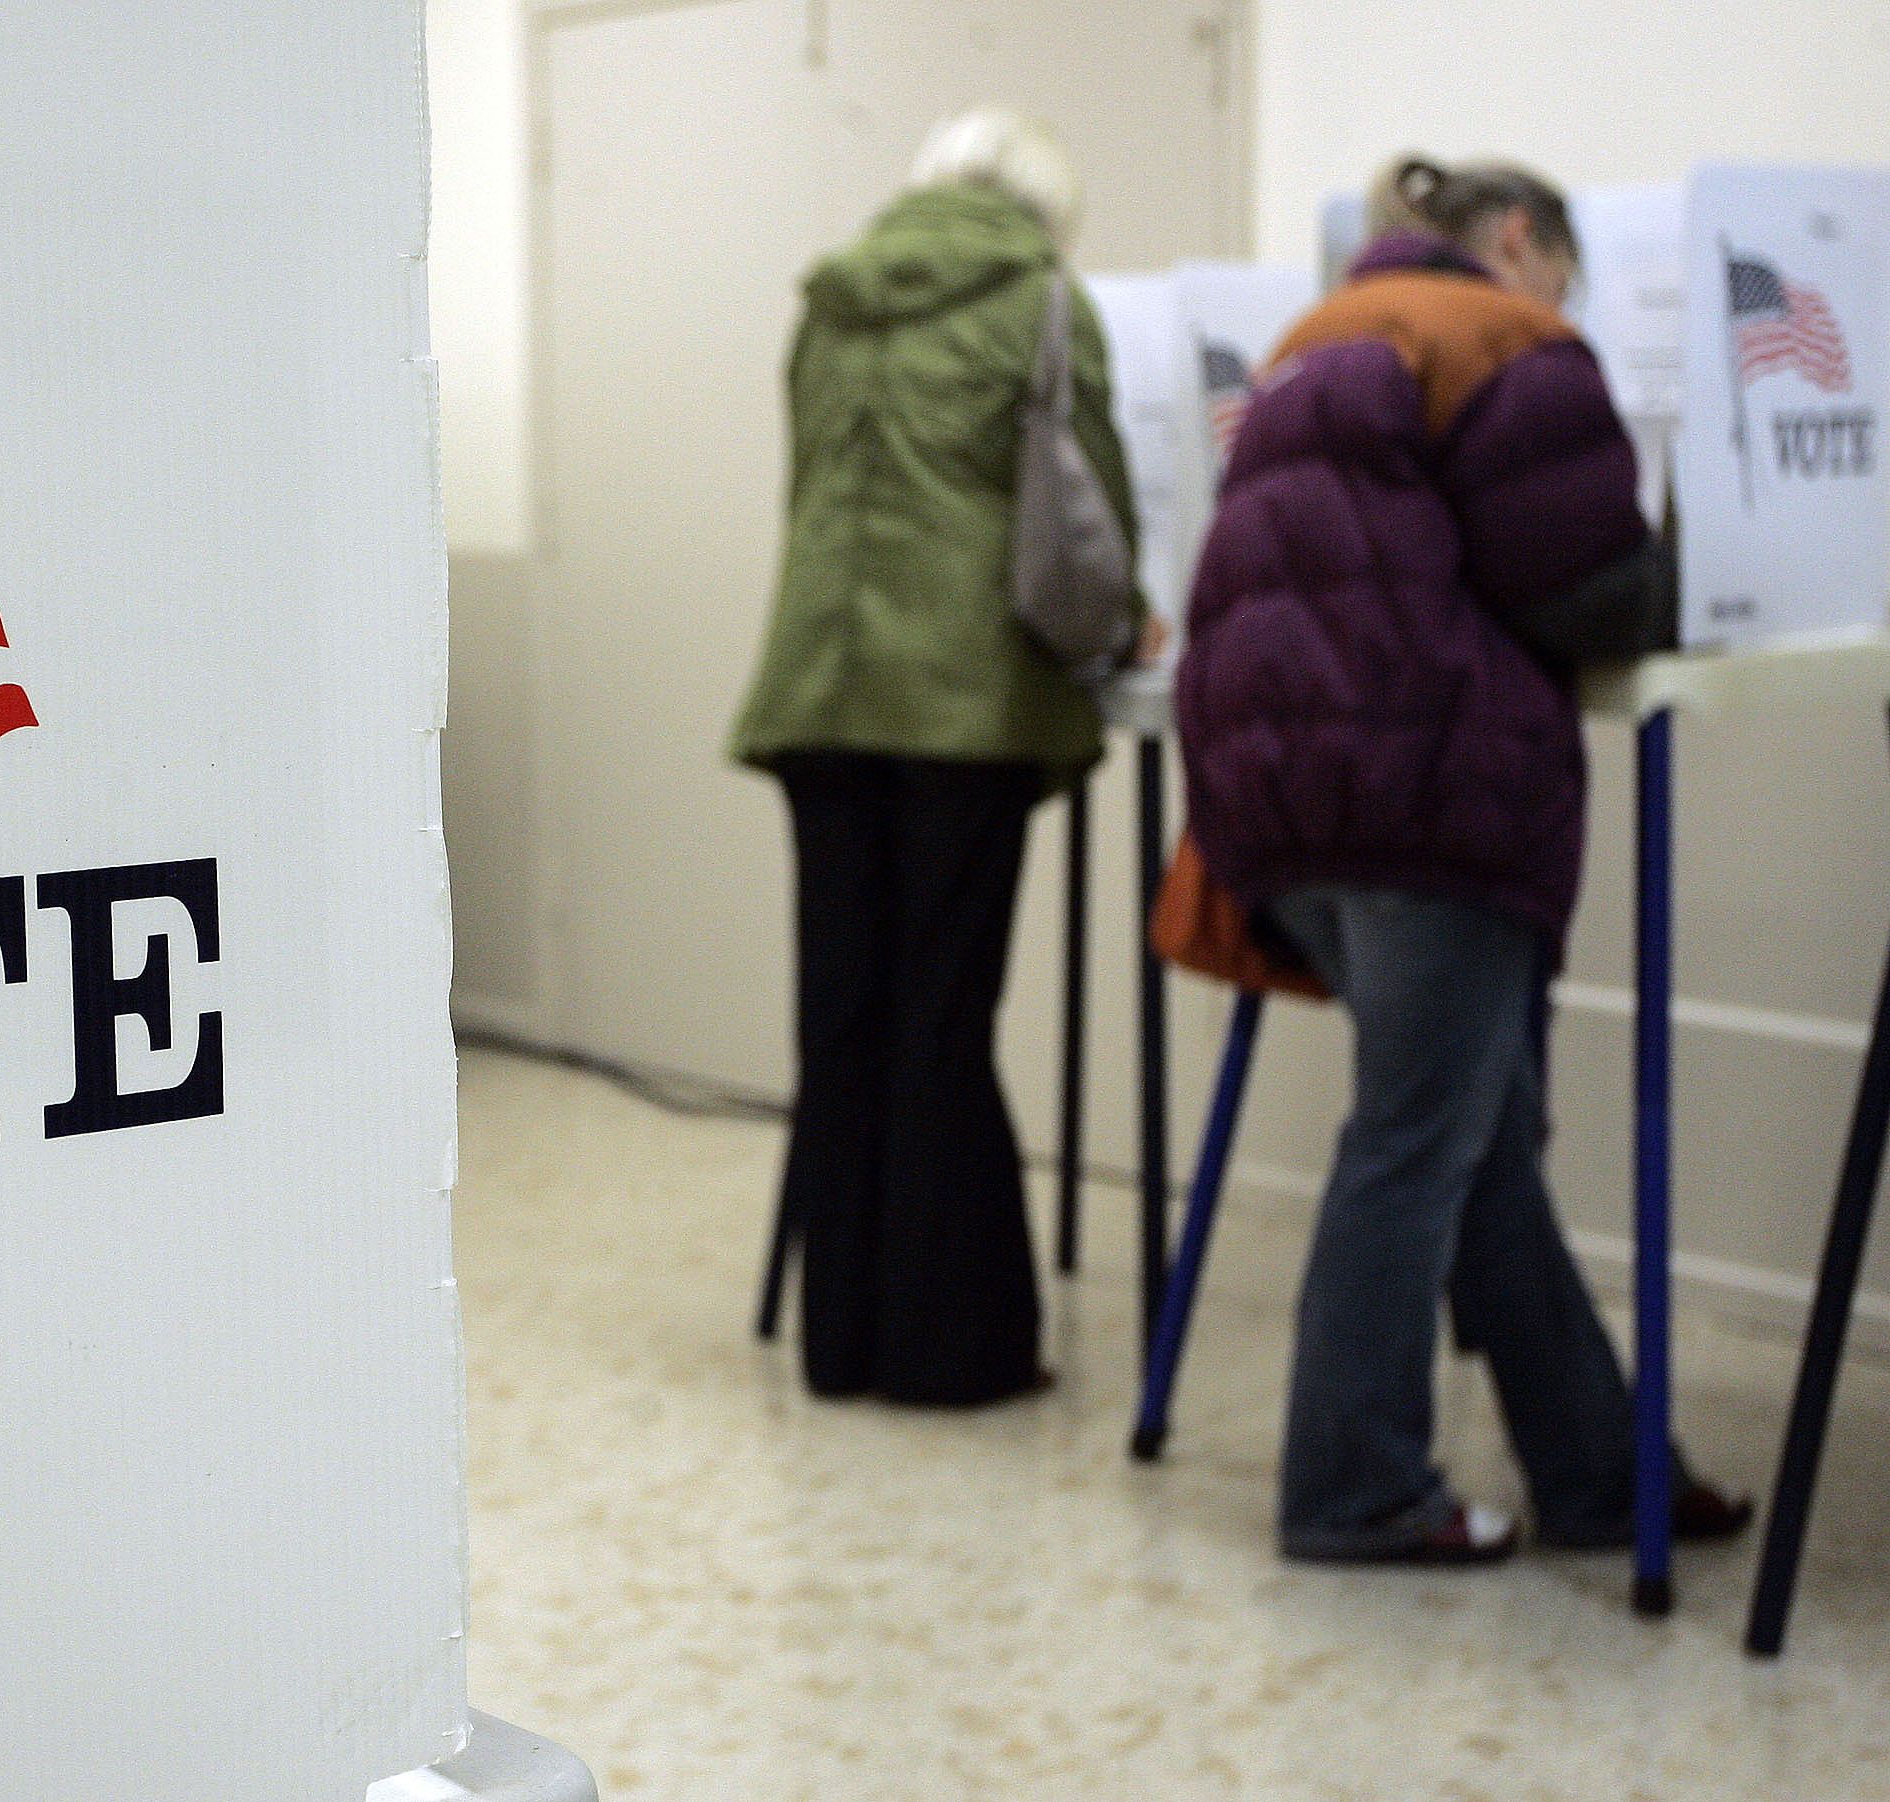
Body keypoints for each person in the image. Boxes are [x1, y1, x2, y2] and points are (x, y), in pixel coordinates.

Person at [1175, 156, 1748, 1561]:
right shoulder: (1503, 339)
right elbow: (1594, 586)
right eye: (1568, 269)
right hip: (1424, 795)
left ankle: (1606, 1472)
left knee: (1473, 1139)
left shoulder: (1312, 345)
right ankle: (1352, 1485)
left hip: (1283, 806)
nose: (1573, 302)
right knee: (1421, 1138)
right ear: (1516, 237)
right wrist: (1724, 554)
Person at [730, 111, 1150, 1407]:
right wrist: (1129, 619)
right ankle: (946, 1350)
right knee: (942, 1021)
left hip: (820, 686)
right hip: (960, 710)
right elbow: (1093, 509)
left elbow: (813, 488)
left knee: (843, 1020)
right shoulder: (1039, 303)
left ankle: (841, 1339)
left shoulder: (832, 298)